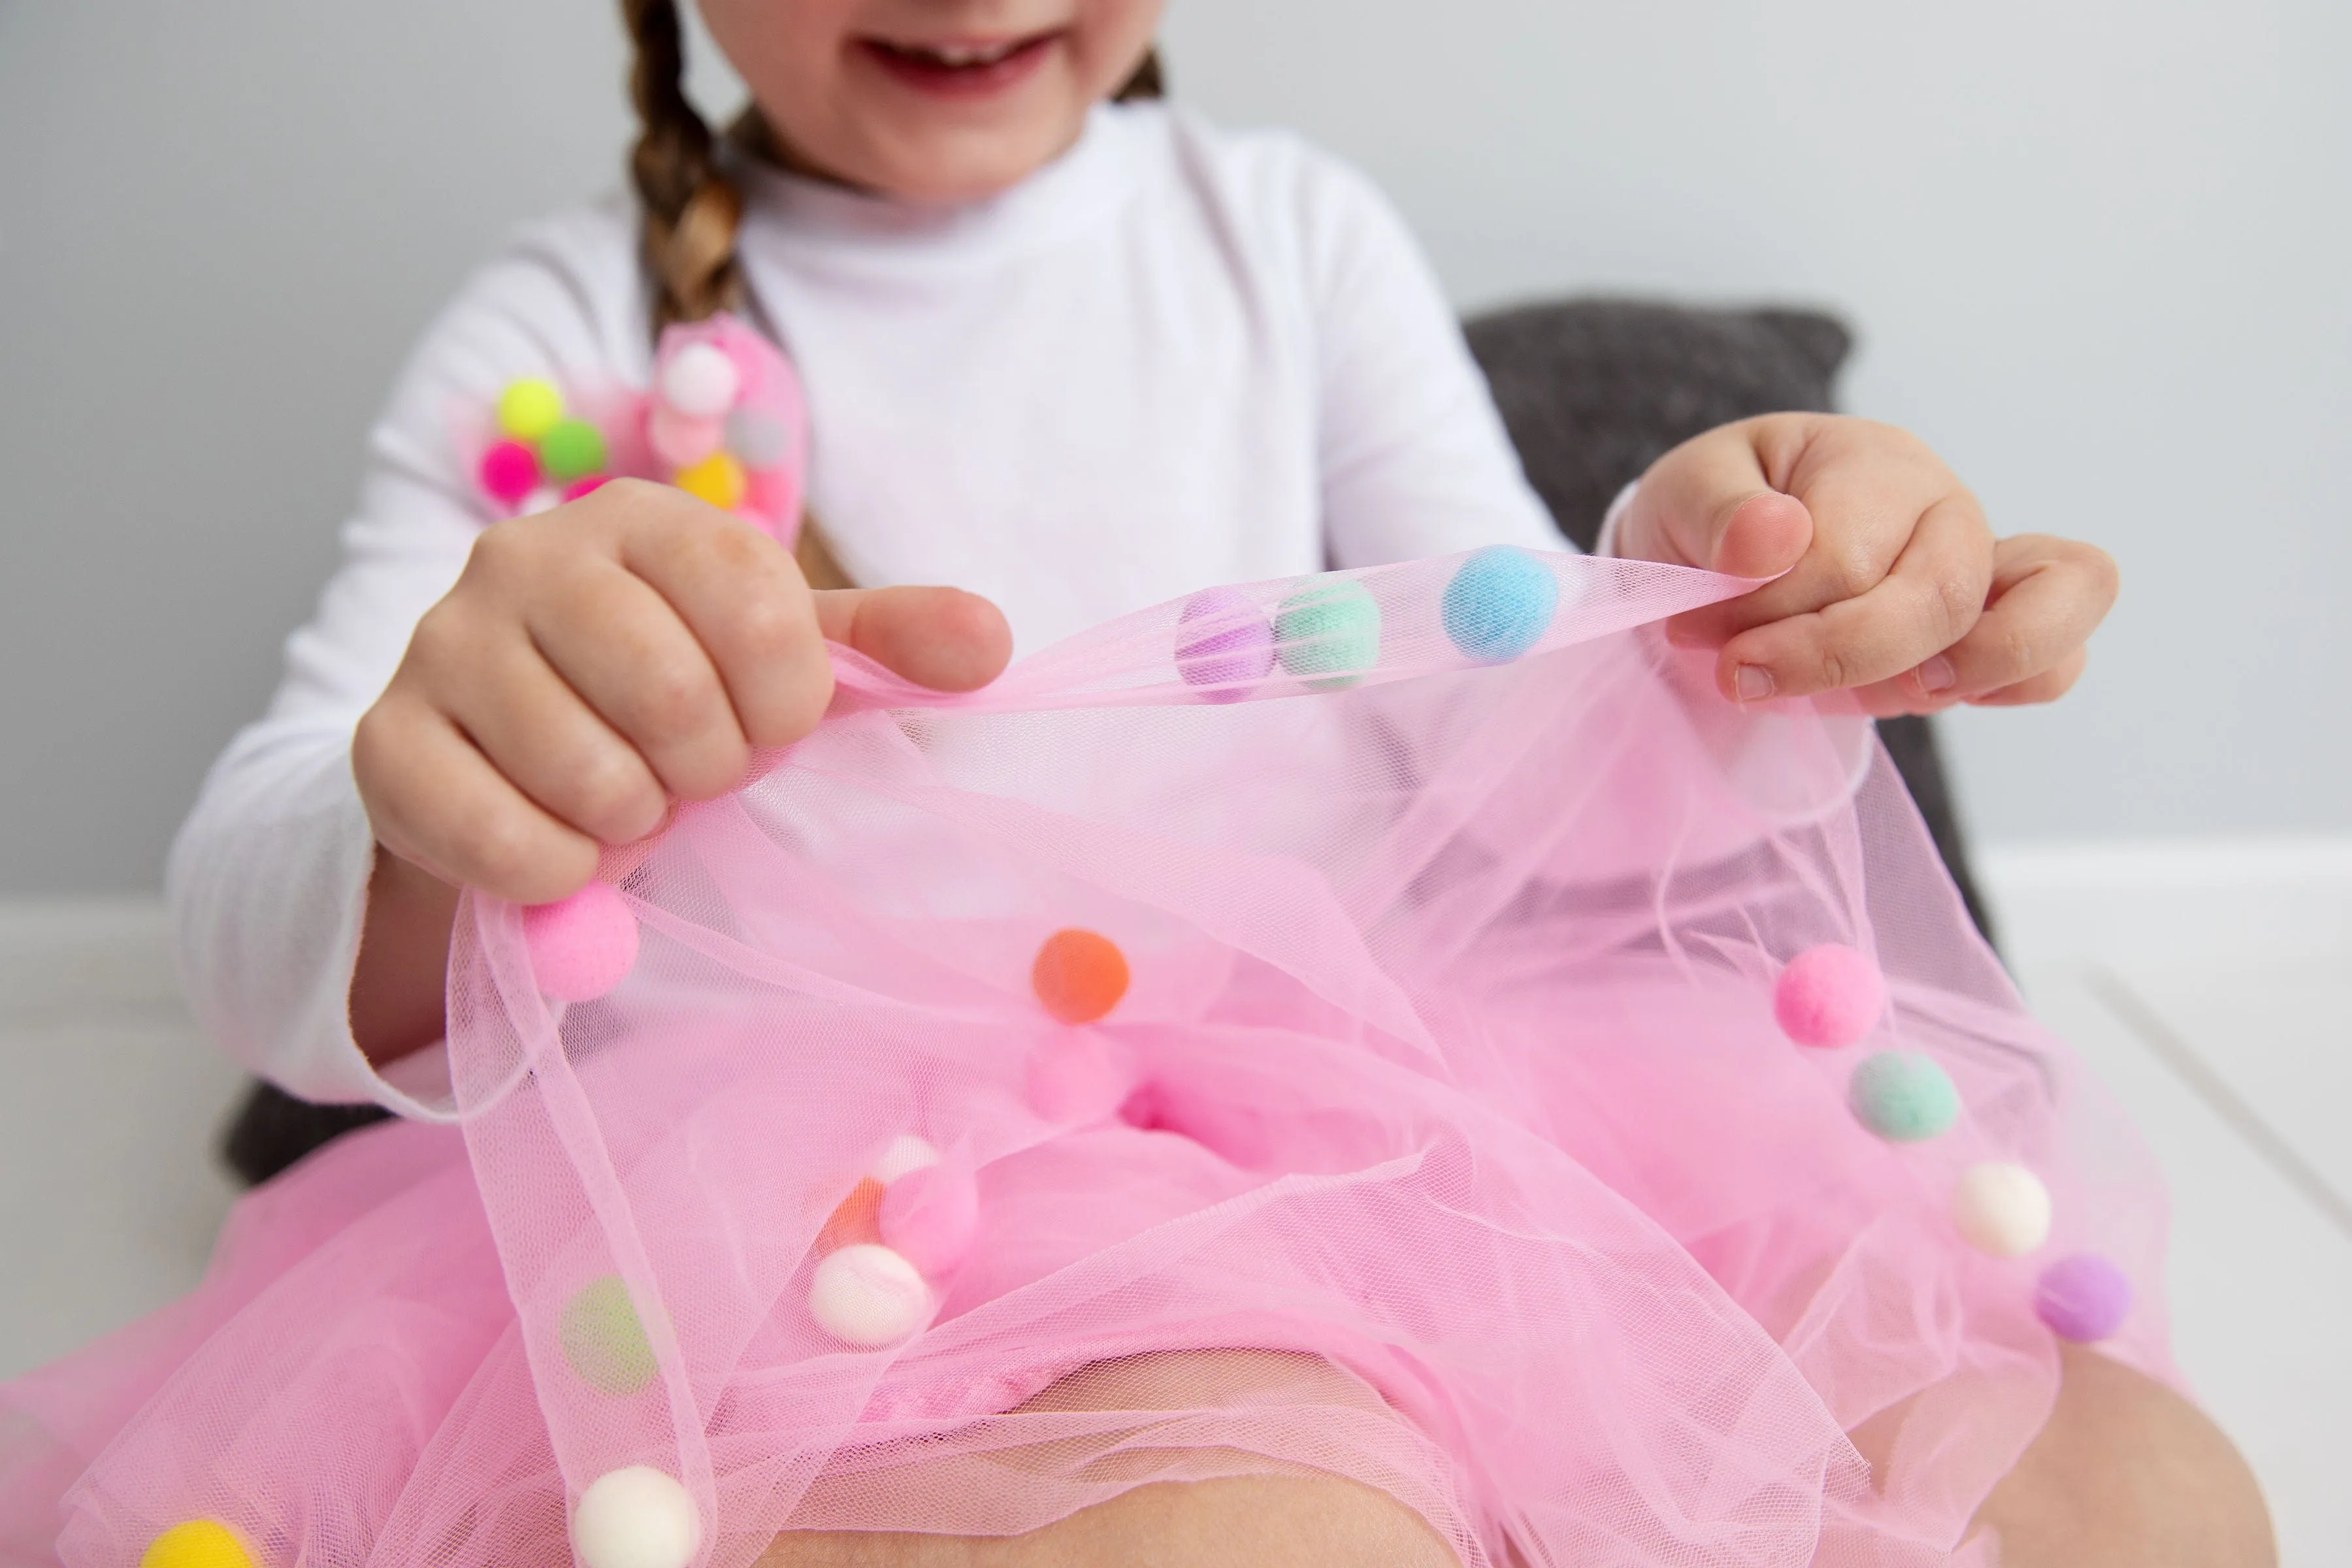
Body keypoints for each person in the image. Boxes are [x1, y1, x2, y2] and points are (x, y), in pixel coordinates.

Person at [33, 3, 2274, 1565]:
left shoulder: (1284, 238)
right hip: (836, 1227)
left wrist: (1697, 616)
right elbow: (254, 924)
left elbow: (1538, 804)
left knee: (2134, 1508)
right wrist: (447, 802)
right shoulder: (557, 327)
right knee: (1258, 1516)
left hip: (1410, 1118)